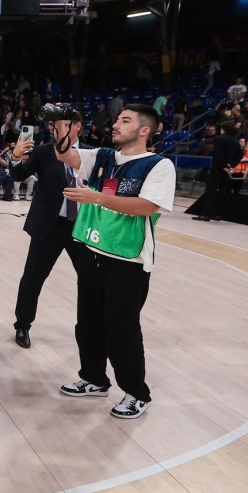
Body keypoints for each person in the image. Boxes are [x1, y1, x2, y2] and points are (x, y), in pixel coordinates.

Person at [56, 105, 176, 419]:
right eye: (117, 119)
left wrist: (96, 198)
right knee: (88, 324)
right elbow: (66, 155)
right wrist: (62, 131)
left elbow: (146, 206)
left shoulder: (158, 165)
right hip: (93, 251)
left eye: (125, 121)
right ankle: (94, 379)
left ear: (145, 130)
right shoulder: (104, 156)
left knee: (122, 330)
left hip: (128, 261)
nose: (116, 124)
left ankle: (137, 393)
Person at [8, 111, 91, 349]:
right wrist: (15, 155)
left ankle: (90, 327)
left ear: (77, 126)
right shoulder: (44, 151)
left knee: (89, 281)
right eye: (53, 125)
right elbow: (18, 174)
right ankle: (22, 325)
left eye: (62, 125)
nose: (55, 129)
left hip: (81, 226)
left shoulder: (91, 154)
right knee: (33, 279)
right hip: (49, 226)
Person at [193, 121, 242, 221]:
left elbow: (218, 154)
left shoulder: (219, 138)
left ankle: (206, 214)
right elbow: (239, 156)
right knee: (223, 192)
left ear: (224, 129)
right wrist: (230, 166)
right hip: (227, 170)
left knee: (210, 191)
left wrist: (224, 165)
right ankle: (218, 214)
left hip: (217, 169)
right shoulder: (236, 140)